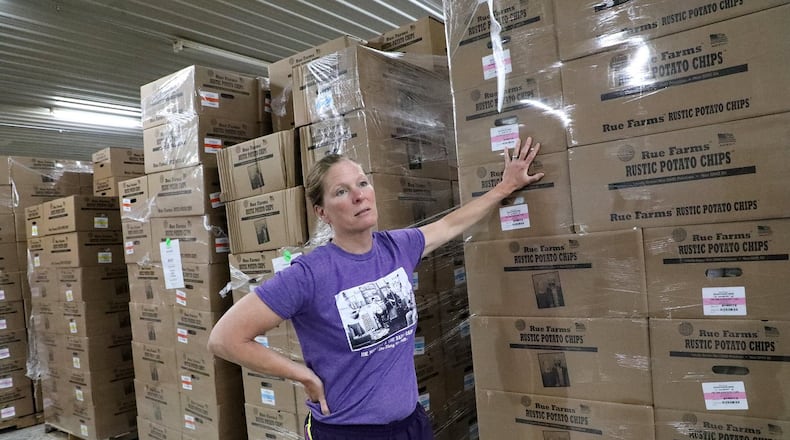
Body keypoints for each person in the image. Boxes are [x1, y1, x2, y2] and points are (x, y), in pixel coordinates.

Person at [207, 137, 544, 439]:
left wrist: (505, 187)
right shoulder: (310, 273)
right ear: (322, 212)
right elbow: (225, 338)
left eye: (362, 183)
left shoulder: (397, 248)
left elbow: (450, 224)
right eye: (342, 192)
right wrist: (303, 376)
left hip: (410, 423)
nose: (358, 196)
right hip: (349, 432)